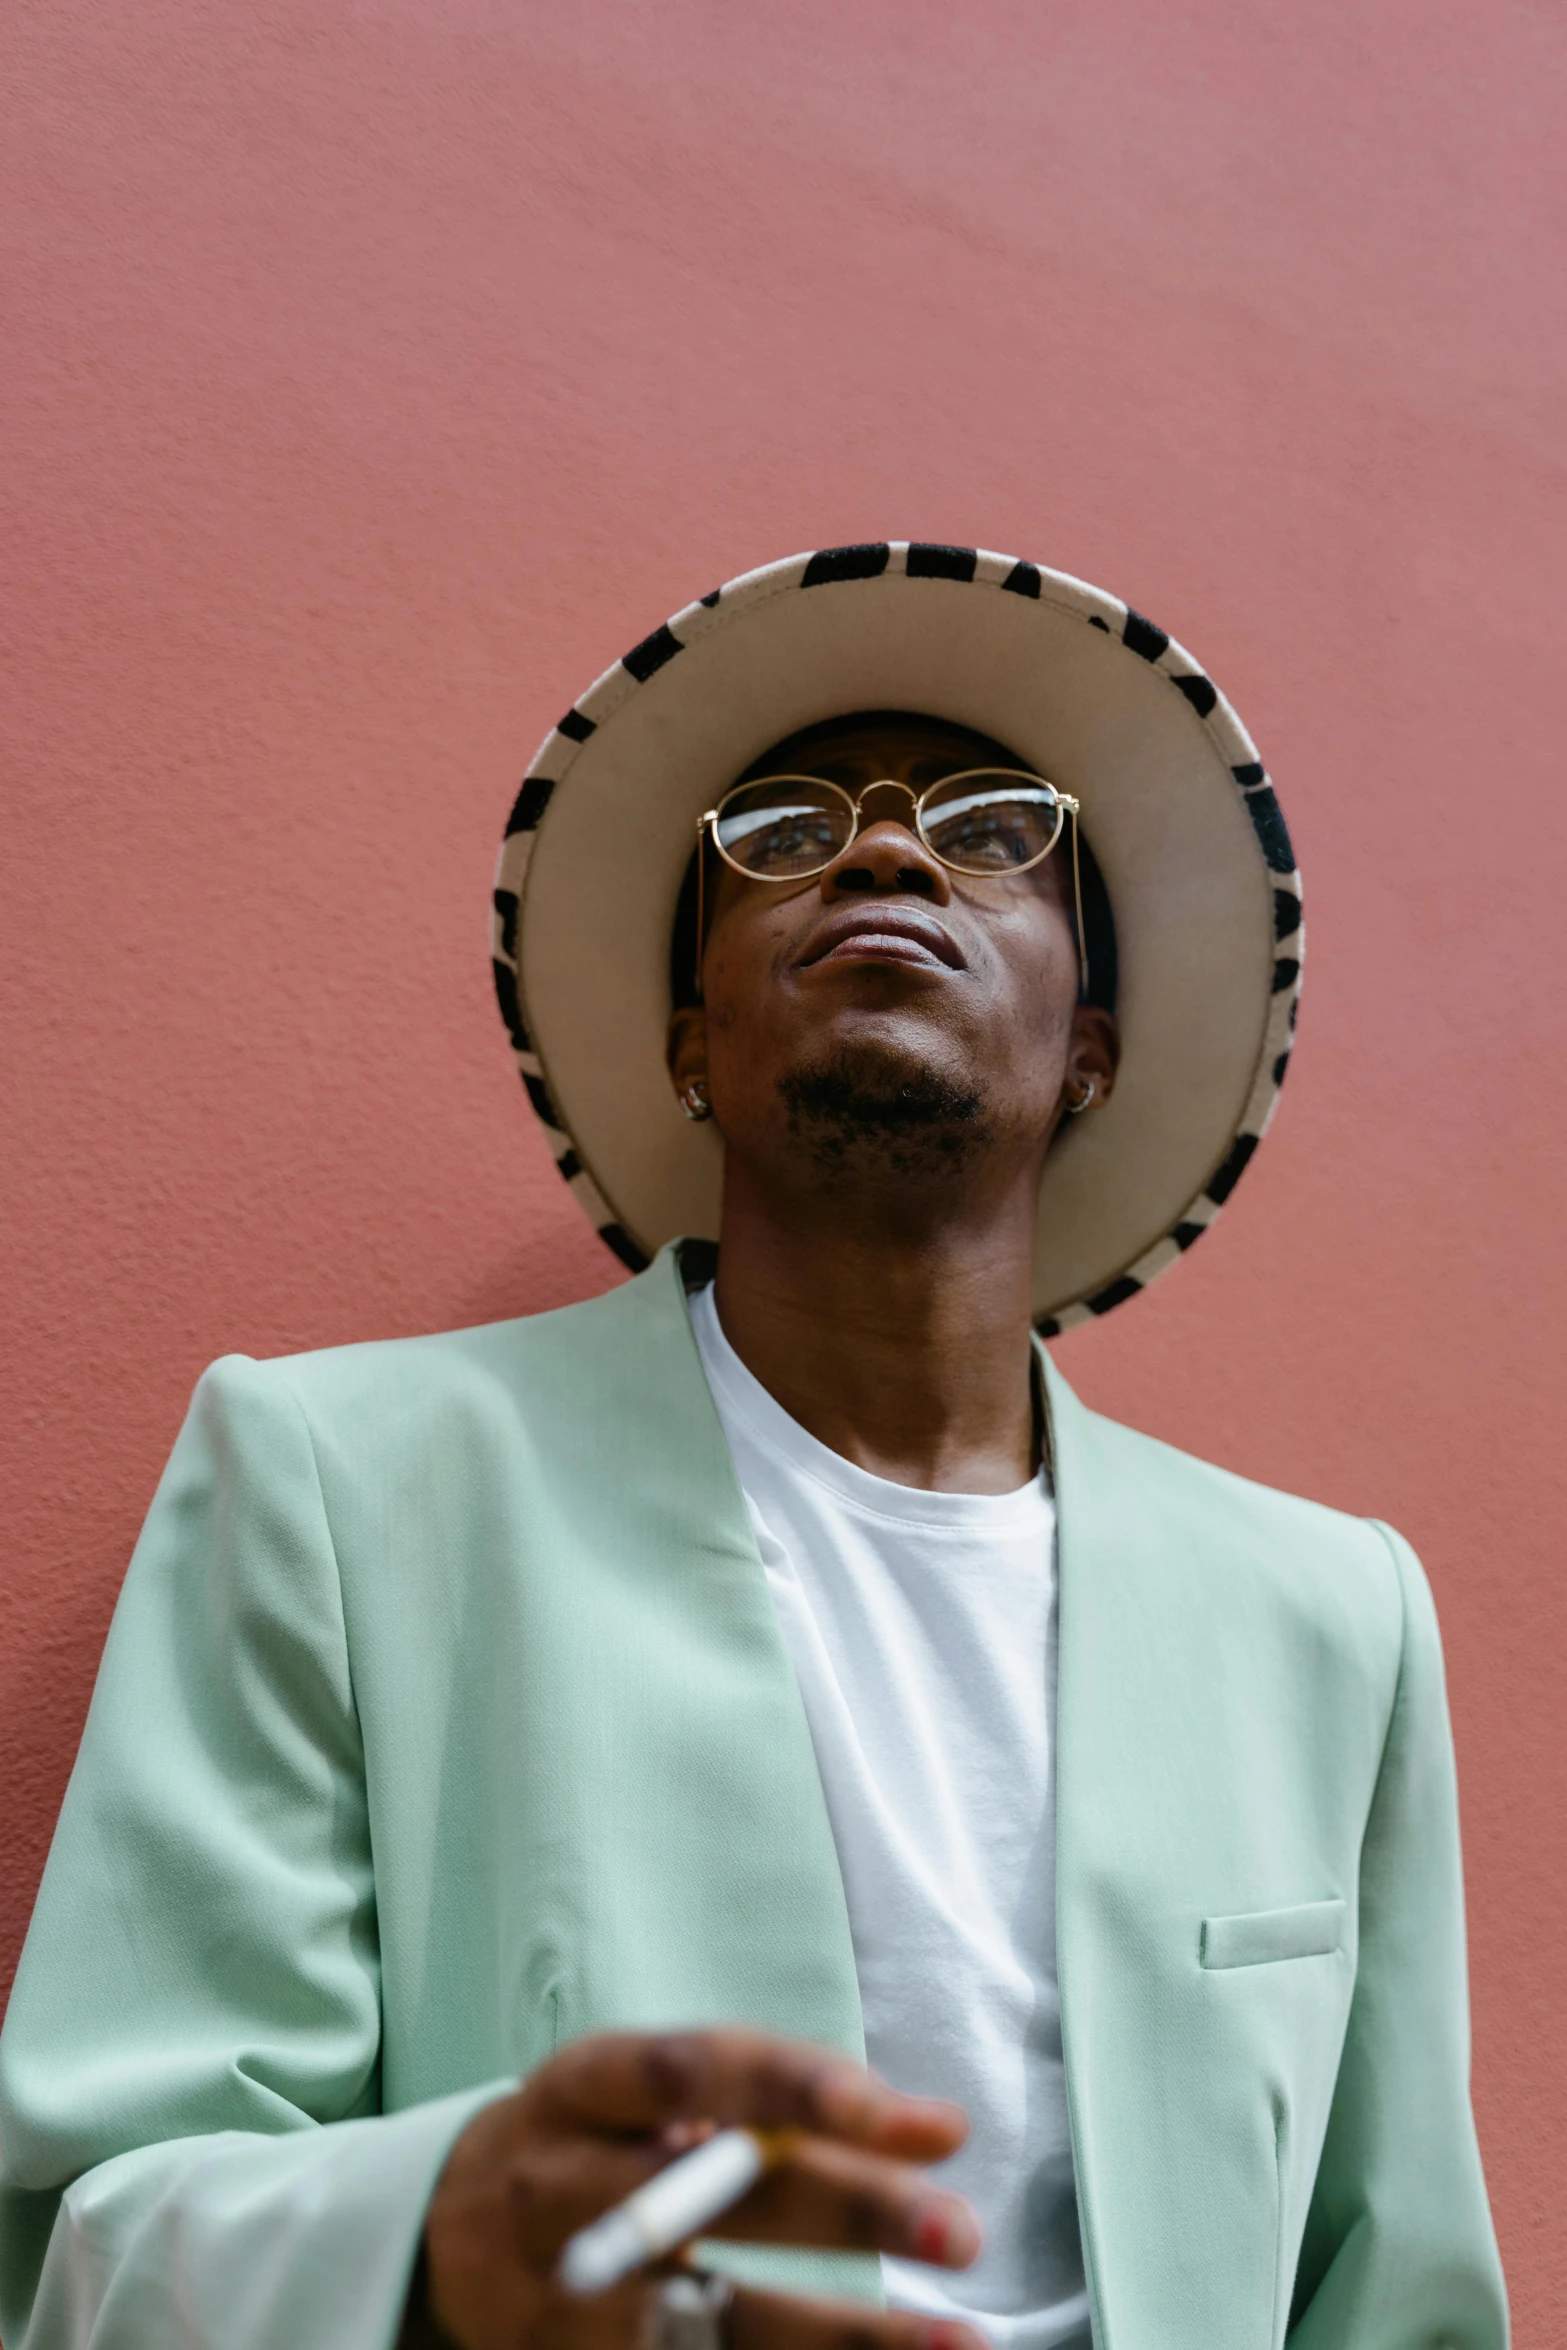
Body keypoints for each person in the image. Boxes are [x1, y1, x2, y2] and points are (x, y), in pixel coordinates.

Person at [0, 543, 1506, 2350]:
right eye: (780, 834)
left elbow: (1401, 2298)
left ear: (1089, 1047)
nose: (882, 849)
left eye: (990, 829)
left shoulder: (1327, 1618)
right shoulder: (336, 1479)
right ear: (691, 1043)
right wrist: (415, 2242)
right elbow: (109, 2216)